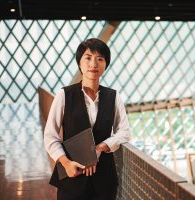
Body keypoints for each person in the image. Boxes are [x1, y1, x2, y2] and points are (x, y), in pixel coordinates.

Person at [44, 38, 131, 200]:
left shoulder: (113, 96)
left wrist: (100, 148)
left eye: (100, 59)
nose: (94, 64)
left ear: (105, 64)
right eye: (88, 57)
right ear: (79, 63)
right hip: (72, 175)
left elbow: (125, 132)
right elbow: (50, 136)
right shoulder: (64, 95)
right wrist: (65, 163)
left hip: (104, 178)